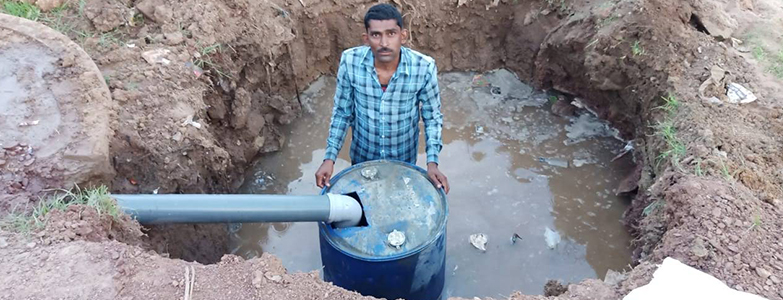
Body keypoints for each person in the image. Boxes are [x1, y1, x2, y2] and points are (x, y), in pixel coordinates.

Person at [314, 3, 450, 194]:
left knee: (398, 200)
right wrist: (329, 159)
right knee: (365, 203)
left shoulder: (423, 68)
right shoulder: (350, 62)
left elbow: (432, 118)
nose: (384, 43)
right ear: (366, 38)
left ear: (403, 36)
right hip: (363, 159)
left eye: (391, 33)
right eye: (376, 35)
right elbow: (342, 113)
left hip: (403, 160)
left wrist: (432, 162)